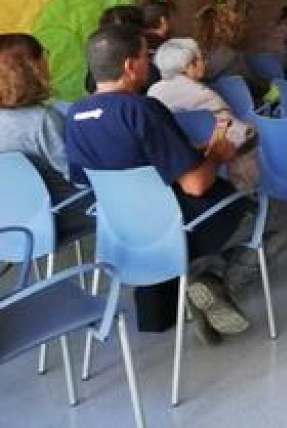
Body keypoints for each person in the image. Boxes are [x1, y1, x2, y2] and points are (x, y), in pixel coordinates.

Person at [65, 25, 251, 344]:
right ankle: (213, 280)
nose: (148, 63)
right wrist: (217, 155)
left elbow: (94, 176)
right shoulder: (142, 109)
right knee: (260, 217)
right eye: (144, 56)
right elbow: (195, 185)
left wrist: (186, 152)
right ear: (129, 65)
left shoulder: (74, 115)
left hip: (124, 228)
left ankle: (193, 287)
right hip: (177, 221)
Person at [0, 33, 93, 243]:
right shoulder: (42, 120)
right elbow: (76, 175)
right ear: (32, 68)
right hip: (59, 214)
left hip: (10, 222)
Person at [148, 38, 258, 191]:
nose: (205, 62)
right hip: (214, 168)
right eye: (201, 58)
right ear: (188, 67)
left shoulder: (152, 93)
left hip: (179, 168)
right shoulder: (202, 95)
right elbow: (237, 135)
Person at [194, 3, 269, 101]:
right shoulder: (234, 57)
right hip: (239, 107)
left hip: (207, 106)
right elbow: (256, 86)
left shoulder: (194, 58)